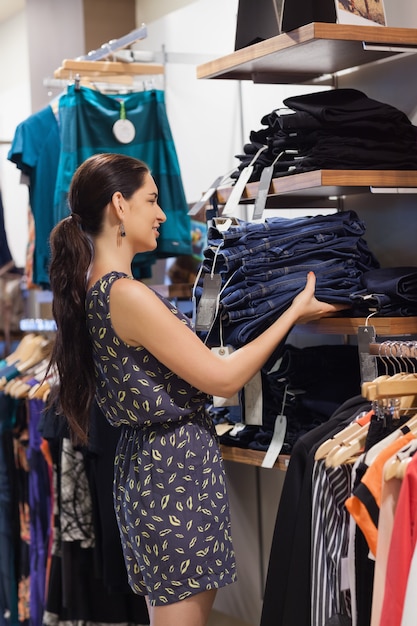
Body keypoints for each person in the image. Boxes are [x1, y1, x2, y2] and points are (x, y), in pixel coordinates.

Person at [47, 152, 345, 626]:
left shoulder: (99, 288)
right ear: (119, 205)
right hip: (171, 474)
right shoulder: (125, 294)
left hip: (159, 467)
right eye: (152, 200)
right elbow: (222, 379)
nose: (163, 214)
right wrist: (292, 312)